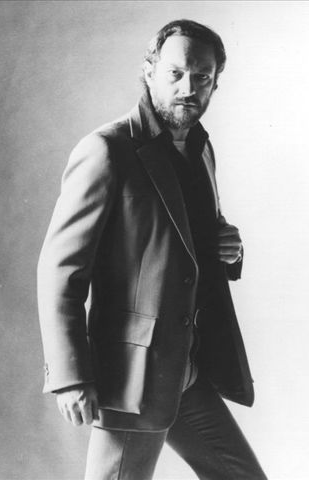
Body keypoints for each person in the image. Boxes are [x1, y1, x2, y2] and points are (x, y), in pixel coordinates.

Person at [37, 19, 267, 480]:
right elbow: (59, 271)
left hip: (187, 368)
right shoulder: (107, 150)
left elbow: (187, 241)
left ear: (215, 84)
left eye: (202, 77)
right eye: (176, 73)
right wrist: (70, 377)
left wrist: (228, 248)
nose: (188, 88)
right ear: (149, 72)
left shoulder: (200, 149)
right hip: (132, 376)